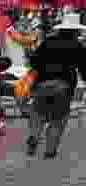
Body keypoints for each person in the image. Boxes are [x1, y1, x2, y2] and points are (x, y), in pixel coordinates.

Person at [26, 13, 86, 158]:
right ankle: (50, 151)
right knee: (58, 120)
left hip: (42, 85)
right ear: (75, 31)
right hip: (63, 87)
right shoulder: (77, 46)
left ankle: (34, 136)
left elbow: (33, 63)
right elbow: (84, 69)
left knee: (38, 114)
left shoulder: (48, 42)